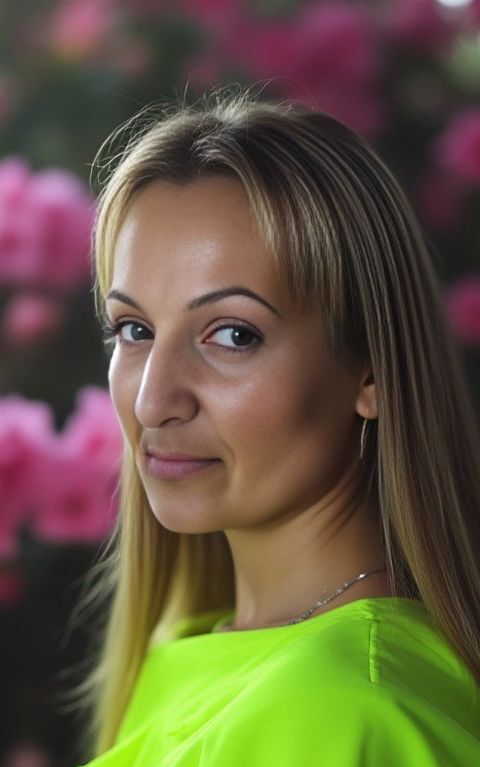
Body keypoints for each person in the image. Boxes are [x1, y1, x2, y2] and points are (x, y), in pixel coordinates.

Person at [68, 87, 480, 766]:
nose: (152, 401)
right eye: (134, 329)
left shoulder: (331, 712)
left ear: (372, 371)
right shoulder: (206, 653)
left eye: (233, 334)